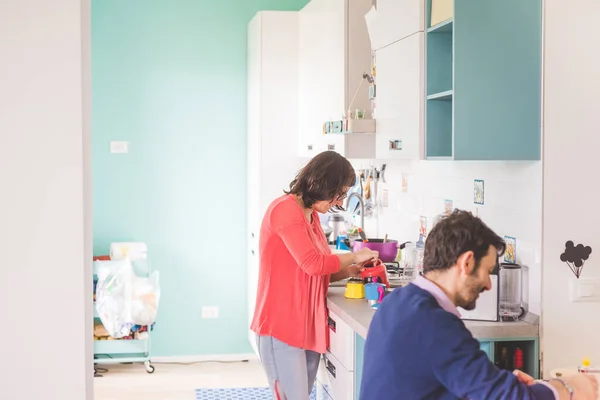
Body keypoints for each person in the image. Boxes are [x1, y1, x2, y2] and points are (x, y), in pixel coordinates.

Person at [361, 210, 598, 400]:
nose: (488, 284)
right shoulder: (435, 323)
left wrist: (498, 382)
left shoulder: (397, 301)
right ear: (467, 262)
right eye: (488, 271)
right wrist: (567, 388)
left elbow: (429, 385)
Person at [250, 151, 379, 400]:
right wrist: (355, 255)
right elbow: (312, 264)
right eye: (339, 194)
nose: (339, 201)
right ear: (322, 183)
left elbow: (314, 272)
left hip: (305, 325)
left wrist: (350, 270)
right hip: (281, 325)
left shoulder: (311, 216)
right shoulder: (285, 211)